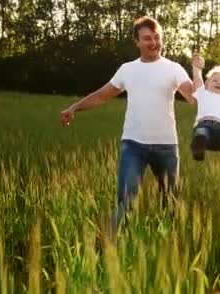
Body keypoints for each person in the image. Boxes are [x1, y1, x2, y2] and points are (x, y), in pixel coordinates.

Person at [59, 16, 195, 234]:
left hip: (166, 146)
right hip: (134, 145)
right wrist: (74, 108)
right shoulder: (127, 69)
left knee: (170, 204)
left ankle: (167, 251)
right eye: (147, 38)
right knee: (125, 203)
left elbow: (194, 98)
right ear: (137, 42)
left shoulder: (174, 69)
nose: (154, 42)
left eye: (157, 37)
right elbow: (103, 95)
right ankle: (109, 250)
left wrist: (201, 77)